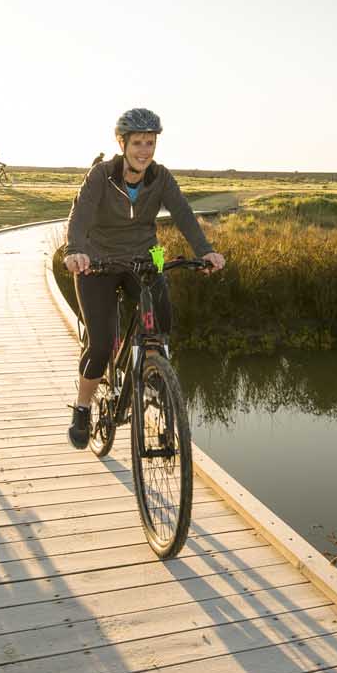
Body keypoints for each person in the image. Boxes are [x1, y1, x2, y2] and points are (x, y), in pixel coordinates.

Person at [61, 107, 224, 447]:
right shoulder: (101, 176)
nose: (144, 151)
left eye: (150, 143)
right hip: (97, 262)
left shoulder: (160, 177)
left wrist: (205, 251)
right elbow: (80, 215)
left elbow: (183, 214)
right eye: (137, 143)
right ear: (122, 143)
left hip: (145, 259)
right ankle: (83, 406)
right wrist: (75, 250)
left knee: (160, 327)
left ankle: (154, 375)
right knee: (100, 344)